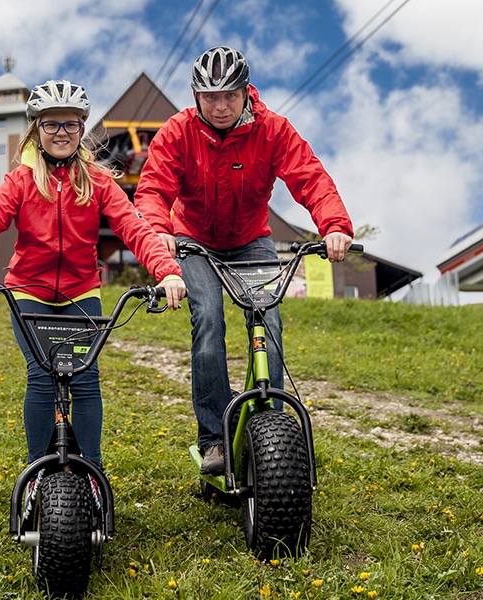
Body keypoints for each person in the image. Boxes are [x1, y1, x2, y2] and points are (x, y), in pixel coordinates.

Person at [0, 79, 186, 468]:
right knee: (41, 376)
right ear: (36, 129)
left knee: (85, 380)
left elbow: (135, 227)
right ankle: (37, 470)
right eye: (51, 124)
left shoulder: (99, 182)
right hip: (28, 292)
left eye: (70, 124)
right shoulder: (20, 181)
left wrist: (167, 271)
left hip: (81, 293)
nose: (61, 133)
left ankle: (93, 469)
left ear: (81, 128)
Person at [134, 46, 354, 475]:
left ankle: (265, 422)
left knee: (267, 319)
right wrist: (159, 229)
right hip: (193, 241)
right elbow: (153, 189)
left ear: (246, 92)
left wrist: (334, 225)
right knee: (210, 319)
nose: (220, 106)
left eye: (229, 96)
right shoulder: (177, 132)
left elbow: (309, 176)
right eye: (210, 96)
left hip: (252, 240)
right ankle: (215, 437)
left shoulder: (272, 129)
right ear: (196, 95)